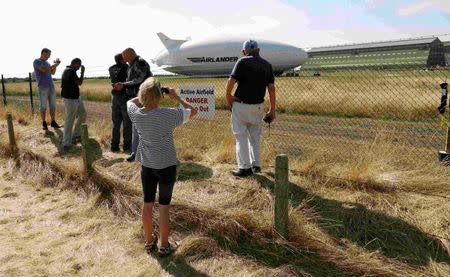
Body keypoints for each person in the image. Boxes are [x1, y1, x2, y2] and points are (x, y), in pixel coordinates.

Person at [127, 77, 197, 257]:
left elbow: (131, 102)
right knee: (164, 207)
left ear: (142, 94)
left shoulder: (136, 114)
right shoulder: (168, 114)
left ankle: (149, 241)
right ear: (161, 96)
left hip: (147, 166)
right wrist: (176, 97)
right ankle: (165, 245)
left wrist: (145, 93)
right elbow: (193, 110)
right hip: (166, 166)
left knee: (147, 204)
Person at [225, 39, 276, 177]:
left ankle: (244, 168)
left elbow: (231, 81)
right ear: (258, 49)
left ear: (244, 51)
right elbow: (271, 89)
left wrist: (228, 96)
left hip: (241, 105)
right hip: (258, 106)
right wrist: (272, 110)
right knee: (255, 137)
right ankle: (256, 165)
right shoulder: (267, 65)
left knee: (240, 136)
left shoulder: (242, 61)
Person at [114, 48, 152, 162]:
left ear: (131, 54)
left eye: (124, 56)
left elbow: (139, 79)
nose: (123, 59)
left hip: (142, 98)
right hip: (135, 99)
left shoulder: (140, 62)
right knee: (136, 127)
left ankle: (143, 153)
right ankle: (135, 153)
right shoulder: (131, 64)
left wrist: (124, 85)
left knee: (143, 128)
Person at [61, 58, 87, 151]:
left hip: (75, 97)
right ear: (75, 64)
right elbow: (79, 82)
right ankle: (66, 143)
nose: (79, 68)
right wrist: (82, 73)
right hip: (70, 99)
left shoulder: (68, 70)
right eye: (79, 65)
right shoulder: (70, 71)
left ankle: (76, 134)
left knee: (83, 113)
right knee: (70, 120)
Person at [33, 48, 62, 130]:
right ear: (43, 53)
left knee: (53, 105)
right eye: (49, 54)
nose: (49, 56)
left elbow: (52, 72)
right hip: (42, 86)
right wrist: (55, 65)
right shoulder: (37, 61)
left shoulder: (48, 63)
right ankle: (44, 123)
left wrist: (56, 65)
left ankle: (53, 122)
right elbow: (44, 70)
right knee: (43, 106)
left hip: (51, 86)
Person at [109, 53, 131, 152]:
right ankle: (126, 146)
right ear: (122, 59)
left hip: (115, 97)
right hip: (125, 97)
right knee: (127, 123)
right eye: (124, 58)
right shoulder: (127, 67)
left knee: (116, 123)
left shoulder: (111, 68)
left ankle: (114, 146)